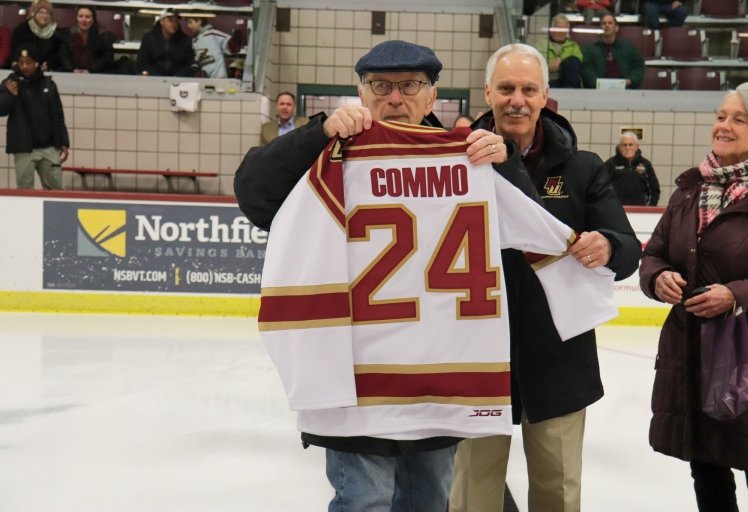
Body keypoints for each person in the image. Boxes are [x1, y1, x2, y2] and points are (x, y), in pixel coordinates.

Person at [234, 39, 538, 512]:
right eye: (381, 86)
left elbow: (529, 234)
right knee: (365, 500)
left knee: (430, 500)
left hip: (438, 376)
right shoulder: (333, 147)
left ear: (432, 96)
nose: (396, 97)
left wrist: (508, 164)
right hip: (357, 375)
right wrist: (317, 134)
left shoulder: (471, 155)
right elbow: (253, 193)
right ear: (362, 91)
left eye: (410, 85)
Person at [449, 43, 641, 512]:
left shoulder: (583, 169)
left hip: (558, 362)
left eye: (528, 89)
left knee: (557, 495)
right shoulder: (451, 163)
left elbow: (630, 248)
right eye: (507, 88)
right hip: (475, 360)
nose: (517, 99)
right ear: (487, 92)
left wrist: (609, 245)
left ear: (545, 96)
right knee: (473, 496)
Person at [638, 81, 748, 512]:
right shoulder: (689, 191)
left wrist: (736, 295)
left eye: (739, 119)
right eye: (720, 116)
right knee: (707, 472)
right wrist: (658, 279)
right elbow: (653, 255)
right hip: (692, 355)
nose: (724, 125)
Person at [0, 44, 69, 190]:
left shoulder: (49, 85)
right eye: (21, 62)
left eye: (29, 62)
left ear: (37, 63)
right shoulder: (9, 83)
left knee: (55, 191)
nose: (25, 66)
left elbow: (58, 114)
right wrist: (9, 95)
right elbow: (1, 110)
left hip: (49, 148)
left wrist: (64, 141)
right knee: (25, 194)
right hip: (24, 149)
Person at [581, 13, 645, 89]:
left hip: (625, 90)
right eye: (604, 23)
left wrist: (630, 80)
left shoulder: (628, 47)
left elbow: (639, 66)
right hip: (598, 91)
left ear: (616, 28)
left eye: (610, 23)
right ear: (601, 27)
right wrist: (596, 83)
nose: (607, 25)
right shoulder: (590, 49)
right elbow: (586, 69)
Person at [10, 0, 72, 72]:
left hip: (47, 71)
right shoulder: (22, 29)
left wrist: (49, 64)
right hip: (25, 69)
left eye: (48, 13)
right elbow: (15, 50)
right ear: (34, 13)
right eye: (41, 12)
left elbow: (59, 54)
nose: (44, 16)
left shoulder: (56, 32)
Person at [605, 131, 660, 206]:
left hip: (640, 211)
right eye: (624, 145)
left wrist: (649, 208)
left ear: (636, 146)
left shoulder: (645, 164)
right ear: (619, 147)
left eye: (630, 145)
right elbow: (602, 188)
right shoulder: (610, 164)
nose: (627, 148)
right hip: (616, 210)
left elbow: (654, 189)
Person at [136, 8, 195, 77]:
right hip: (153, 79)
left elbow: (190, 65)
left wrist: (178, 77)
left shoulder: (185, 40)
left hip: (178, 81)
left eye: (176, 21)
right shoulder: (148, 38)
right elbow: (142, 63)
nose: (174, 24)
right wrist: (155, 76)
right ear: (162, 22)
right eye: (170, 20)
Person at [66, 5, 116, 73]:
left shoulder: (102, 36)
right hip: (72, 73)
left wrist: (90, 70)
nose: (84, 20)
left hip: (96, 73)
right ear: (76, 19)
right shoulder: (68, 35)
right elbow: (65, 57)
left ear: (93, 20)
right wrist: (72, 70)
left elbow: (106, 58)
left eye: (88, 17)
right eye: (80, 16)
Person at [544, 14, 583, 88]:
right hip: (549, 80)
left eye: (564, 30)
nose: (561, 32)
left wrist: (560, 59)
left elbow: (579, 58)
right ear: (552, 29)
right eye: (559, 29)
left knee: (573, 61)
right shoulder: (542, 44)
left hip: (568, 81)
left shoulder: (573, 45)